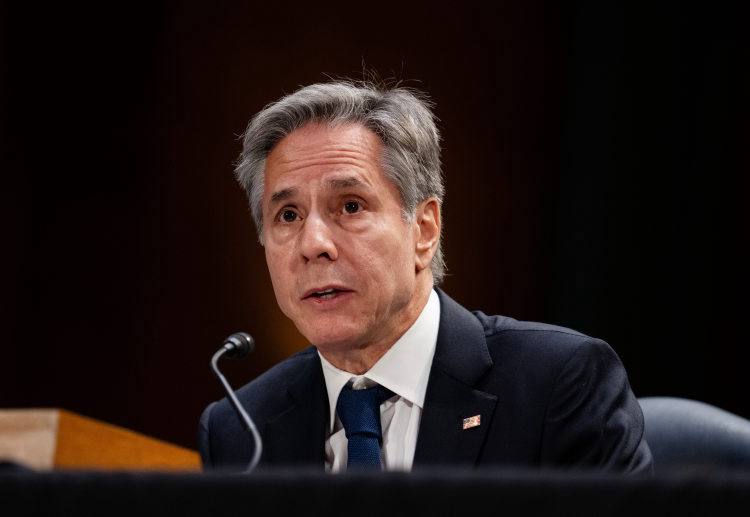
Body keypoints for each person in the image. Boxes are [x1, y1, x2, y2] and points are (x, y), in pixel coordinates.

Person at [198, 80, 652, 473]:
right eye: (288, 214)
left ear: (425, 229)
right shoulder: (239, 429)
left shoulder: (557, 385)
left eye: (351, 206)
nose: (313, 243)